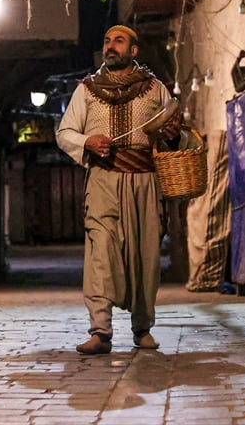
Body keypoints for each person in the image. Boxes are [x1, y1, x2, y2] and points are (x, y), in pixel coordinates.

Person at [57, 25, 181, 355]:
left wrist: (172, 132)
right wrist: (87, 141)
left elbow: (173, 134)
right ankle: (100, 331)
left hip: (144, 181)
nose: (111, 46)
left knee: (145, 255)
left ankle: (143, 329)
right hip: (103, 179)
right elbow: (65, 132)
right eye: (107, 40)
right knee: (101, 253)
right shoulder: (87, 90)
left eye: (119, 41)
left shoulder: (156, 90)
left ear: (134, 50)